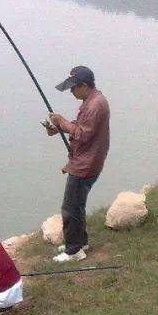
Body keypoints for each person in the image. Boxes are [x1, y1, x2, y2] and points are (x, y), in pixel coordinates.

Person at [45, 65, 110, 264]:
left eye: (73, 88)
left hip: (85, 165)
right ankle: (80, 242)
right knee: (78, 205)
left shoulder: (95, 104)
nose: (71, 91)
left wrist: (62, 121)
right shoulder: (92, 101)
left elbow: (83, 133)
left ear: (83, 85)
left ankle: (74, 251)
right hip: (87, 161)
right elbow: (83, 127)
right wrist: (59, 128)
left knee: (70, 207)